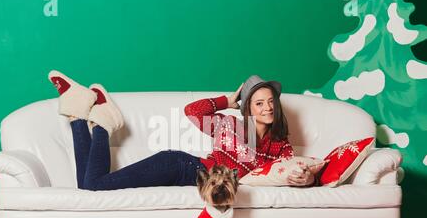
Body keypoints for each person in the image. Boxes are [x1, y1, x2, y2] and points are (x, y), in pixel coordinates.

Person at [48, 71, 315, 190]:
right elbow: (193, 112)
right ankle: (103, 123)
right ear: (248, 109)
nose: (267, 108)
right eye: (259, 103)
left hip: (191, 176)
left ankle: (79, 116)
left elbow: (292, 169)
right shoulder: (230, 125)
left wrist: (308, 179)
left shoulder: (280, 145)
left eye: (270, 102)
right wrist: (227, 102)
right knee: (94, 185)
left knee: (87, 186)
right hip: (182, 167)